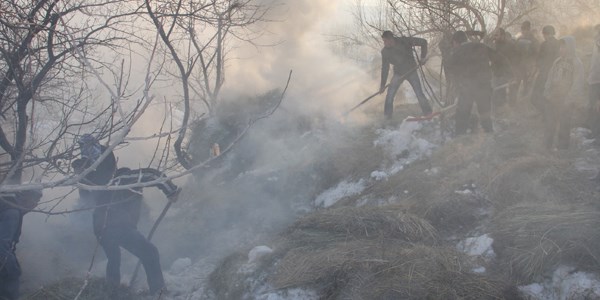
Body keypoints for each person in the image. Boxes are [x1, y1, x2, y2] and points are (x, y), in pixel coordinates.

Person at [72, 135, 180, 294]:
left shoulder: (87, 183)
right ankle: (159, 292)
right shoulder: (123, 178)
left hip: (101, 228)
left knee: (114, 259)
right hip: (117, 226)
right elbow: (152, 175)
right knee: (149, 253)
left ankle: (113, 292)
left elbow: (86, 203)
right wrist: (170, 191)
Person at [446, 31, 500, 135]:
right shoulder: (481, 46)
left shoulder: (457, 52)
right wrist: (492, 71)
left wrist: (458, 82)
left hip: (467, 88)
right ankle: (489, 135)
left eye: (453, 43)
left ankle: (460, 139)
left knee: (463, 114)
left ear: (456, 42)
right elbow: (498, 58)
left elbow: (450, 68)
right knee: (485, 114)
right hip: (484, 85)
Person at [379, 30, 433, 119]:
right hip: (398, 74)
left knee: (419, 93)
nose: (384, 43)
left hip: (411, 71)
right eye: (383, 41)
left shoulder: (404, 41)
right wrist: (382, 85)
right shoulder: (385, 52)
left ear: (391, 39)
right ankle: (387, 117)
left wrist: (423, 57)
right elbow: (385, 68)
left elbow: (423, 42)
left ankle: (428, 114)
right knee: (390, 95)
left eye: (385, 41)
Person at [0, 189, 42, 300]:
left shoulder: (6, 206)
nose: (35, 205)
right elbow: (2, 245)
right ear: (25, 197)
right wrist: (13, 268)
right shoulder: (12, 212)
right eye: (35, 200)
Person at [543, 36, 584, 150]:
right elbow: (550, 78)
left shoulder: (576, 63)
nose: (561, 49)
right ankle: (547, 148)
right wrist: (547, 92)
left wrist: (569, 99)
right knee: (550, 124)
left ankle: (562, 150)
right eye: (560, 47)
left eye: (564, 47)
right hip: (553, 98)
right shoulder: (557, 61)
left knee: (564, 126)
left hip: (566, 100)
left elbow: (578, 84)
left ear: (570, 47)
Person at [531, 25, 560, 116]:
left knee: (535, 97)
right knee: (547, 97)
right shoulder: (558, 43)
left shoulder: (544, 44)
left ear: (547, 34)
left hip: (545, 74)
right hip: (554, 75)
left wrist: (534, 72)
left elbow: (539, 60)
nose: (543, 36)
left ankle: (545, 114)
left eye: (544, 34)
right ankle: (547, 115)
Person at [491, 28, 519, 105]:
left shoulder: (510, 45)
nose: (495, 36)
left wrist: (513, 74)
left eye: (497, 35)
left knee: (507, 94)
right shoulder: (494, 45)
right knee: (496, 94)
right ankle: (498, 111)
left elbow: (515, 60)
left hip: (506, 73)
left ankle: (510, 109)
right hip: (496, 73)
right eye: (494, 35)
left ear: (503, 35)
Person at [515, 21, 540, 98]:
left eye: (525, 29)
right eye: (522, 29)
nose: (524, 31)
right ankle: (514, 101)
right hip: (519, 65)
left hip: (529, 66)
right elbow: (515, 51)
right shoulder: (519, 39)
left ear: (529, 29)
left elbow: (537, 53)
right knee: (516, 83)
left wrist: (533, 66)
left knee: (527, 84)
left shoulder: (534, 40)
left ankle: (525, 100)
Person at [588, 25, 600, 142]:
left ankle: (597, 135)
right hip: (594, 80)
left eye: (595, 31)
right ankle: (595, 133)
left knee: (596, 108)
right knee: (594, 107)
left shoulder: (598, 42)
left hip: (597, 81)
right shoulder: (596, 43)